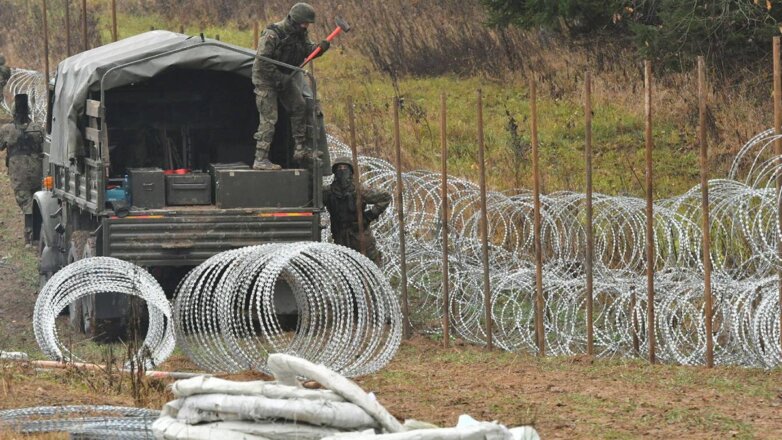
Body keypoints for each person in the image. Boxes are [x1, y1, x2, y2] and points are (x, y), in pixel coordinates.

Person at [251, 2, 331, 170]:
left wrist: (319, 49)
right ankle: (261, 158)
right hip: (266, 80)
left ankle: (300, 149)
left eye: (307, 24)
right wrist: (280, 77)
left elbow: (307, 50)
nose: (306, 26)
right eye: (304, 23)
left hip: (286, 77)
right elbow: (262, 63)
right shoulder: (273, 34)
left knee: (299, 106)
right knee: (269, 119)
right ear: (294, 20)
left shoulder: (300, 34)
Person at [323, 157, 391, 266]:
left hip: (360, 235)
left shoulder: (360, 190)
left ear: (351, 172)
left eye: (345, 168)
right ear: (335, 171)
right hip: (340, 237)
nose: (342, 170)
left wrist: (369, 216)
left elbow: (385, 197)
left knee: (370, 266)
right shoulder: (328, 192)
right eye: (339, 168)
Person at [0, 94, 44, 244]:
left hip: (18, 175)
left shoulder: (6, 130)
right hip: (37, 172)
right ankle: (37, 234)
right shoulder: (37, 129)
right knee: (37, 202)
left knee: (26, 204)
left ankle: (30, 237)